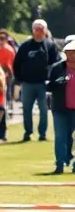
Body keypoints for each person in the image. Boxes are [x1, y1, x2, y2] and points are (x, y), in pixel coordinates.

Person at [13, 19, 59, 143]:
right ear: (33, 31)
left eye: (41, 29)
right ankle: (28, 132)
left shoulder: (50, 46)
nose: (38, 32)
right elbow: (16, 63)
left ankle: (42, 133)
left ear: (45, 31)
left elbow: (56, 64)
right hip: (27, 83)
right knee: (27, 109)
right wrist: (19, 79)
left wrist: (52, 80)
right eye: (36, 29)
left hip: (43, 84)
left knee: (44, 109)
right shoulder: (25, 46)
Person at [47, 36, 75, 175]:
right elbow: (50, 87)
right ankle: (59, 164)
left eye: (73, 53)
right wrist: (62, 79)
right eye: (68, 53)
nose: (71, 56)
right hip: (60, 109)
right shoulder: (58, 68)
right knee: (60, 137)